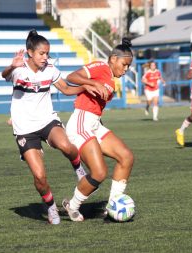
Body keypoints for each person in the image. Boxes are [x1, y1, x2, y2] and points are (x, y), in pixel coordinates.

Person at [1, 29, 99, 225]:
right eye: (41, 54)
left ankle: (79, 169)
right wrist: (11, 66)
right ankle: (52, 207)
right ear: (30, 52)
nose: (46, 57)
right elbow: (4, 76)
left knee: (66, 146)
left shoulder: (51, 69)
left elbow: (66, 89)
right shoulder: (19, 70)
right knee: (39, 176)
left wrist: (86, 87)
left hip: (47, 120)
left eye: (47, 53)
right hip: (25, 129)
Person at [62, 38, 135, 222]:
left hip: (94, 124)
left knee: (126, 157)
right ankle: (72, 206)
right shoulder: (101, 66)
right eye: (124, 64)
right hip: (81, 123)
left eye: (128, 66)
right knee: (99, 173)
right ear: (112, 59)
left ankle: (112, 206)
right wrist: (92, 83)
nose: (126, 69)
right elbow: (71, 77)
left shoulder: (111, 77)